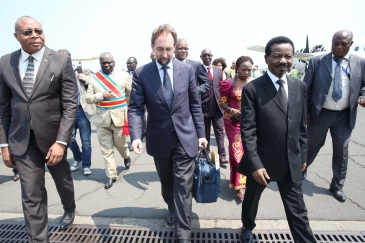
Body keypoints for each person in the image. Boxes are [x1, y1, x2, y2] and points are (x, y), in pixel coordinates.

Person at [0, 16, 77, 242]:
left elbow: (70, 105)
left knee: (63, 182)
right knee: (31, 194)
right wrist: (4, 145)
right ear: (16, 37)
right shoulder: (5, 63)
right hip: (22, 140)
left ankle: (69, 208)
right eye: (28, 32)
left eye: (38, 31)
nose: (35, 35)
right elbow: (3, 107)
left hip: (54, 139)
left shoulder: (61, 61)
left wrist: (61, 142)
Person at [128, 24, 208, 243]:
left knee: (183, 185)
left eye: (169, 49)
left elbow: (195, 105)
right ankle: (171, 206)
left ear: (174, 48)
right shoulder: (142, 73)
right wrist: (136, 136)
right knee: (167, 183)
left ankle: (183, 235)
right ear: (152, 47)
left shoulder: (187, 69)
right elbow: (135, 108)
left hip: (185, 137)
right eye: (160, 49)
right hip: (159, 137)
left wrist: (201, 133)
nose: (165, 54)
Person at [237, 36, 316, 243]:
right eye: (277, 56)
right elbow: (248, 130)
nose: (283, 61)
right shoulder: (253, 89)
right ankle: (247, 226)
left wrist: (303, 154)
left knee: (298, 210)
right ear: (266, 58)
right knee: (251, 201)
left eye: (288, 56)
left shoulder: (299, 86)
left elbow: (301, 126)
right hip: (261, 162)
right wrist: (254, 164)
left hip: (292, 160)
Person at [304, 30, 365, 202]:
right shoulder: (317, 61)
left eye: (343, 44)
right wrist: (306, 112)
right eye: (335, 43)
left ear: (351, 44)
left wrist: (363, 95)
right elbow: (305, 89)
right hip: (320, 113)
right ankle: (301, 169)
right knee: (312, 145)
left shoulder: (360, 63)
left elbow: (363, 85)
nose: (338, 47)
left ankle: (337, 185)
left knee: (342, 151)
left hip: (345, 115)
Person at [85, 52, 132, 189]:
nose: (106, 65)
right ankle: (111, 175)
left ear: (114, 62)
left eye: (108, 62)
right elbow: (88, 98)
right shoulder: (95, 79)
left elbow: (130, 93)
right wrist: (101, 95)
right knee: (107, 150)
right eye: (103, 63)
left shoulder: (124, 76)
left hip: (119, 118)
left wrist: (127, 109)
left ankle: (126, 156)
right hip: (102, 120)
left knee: (121, 145)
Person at [219, 56, 253, 199]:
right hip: (233, 122)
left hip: (251, 122)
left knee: (249, 152)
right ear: (236, 69)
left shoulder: (255, 83)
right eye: (243, 69)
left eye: (249, 70)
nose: (246, 72)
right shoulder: (228, 84)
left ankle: (244, 179)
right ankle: (239, 186)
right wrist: (231, 110)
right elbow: (222, 103)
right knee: (237, 153)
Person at [58, 49, 95, 176]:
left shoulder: (80, 70)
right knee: (69, 139)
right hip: (67, 112)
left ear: (69, 60)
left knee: (86, 140)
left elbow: (96, 82)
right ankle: (78, 157)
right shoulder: (56, 74)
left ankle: (86, 165)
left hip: (82, 111)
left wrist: (86, 79)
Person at [199, 49, 228, 164]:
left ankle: (222, 156)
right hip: (204, 107)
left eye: (209, 55)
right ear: (201, 57)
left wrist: (224, 103)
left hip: (218, 106)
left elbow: (221, 87)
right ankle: (206, 155)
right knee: (205, 133)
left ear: (212, 56)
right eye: (204, 55)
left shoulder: (218, 70)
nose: (207, 57)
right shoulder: (197, 70)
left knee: (219, 132)